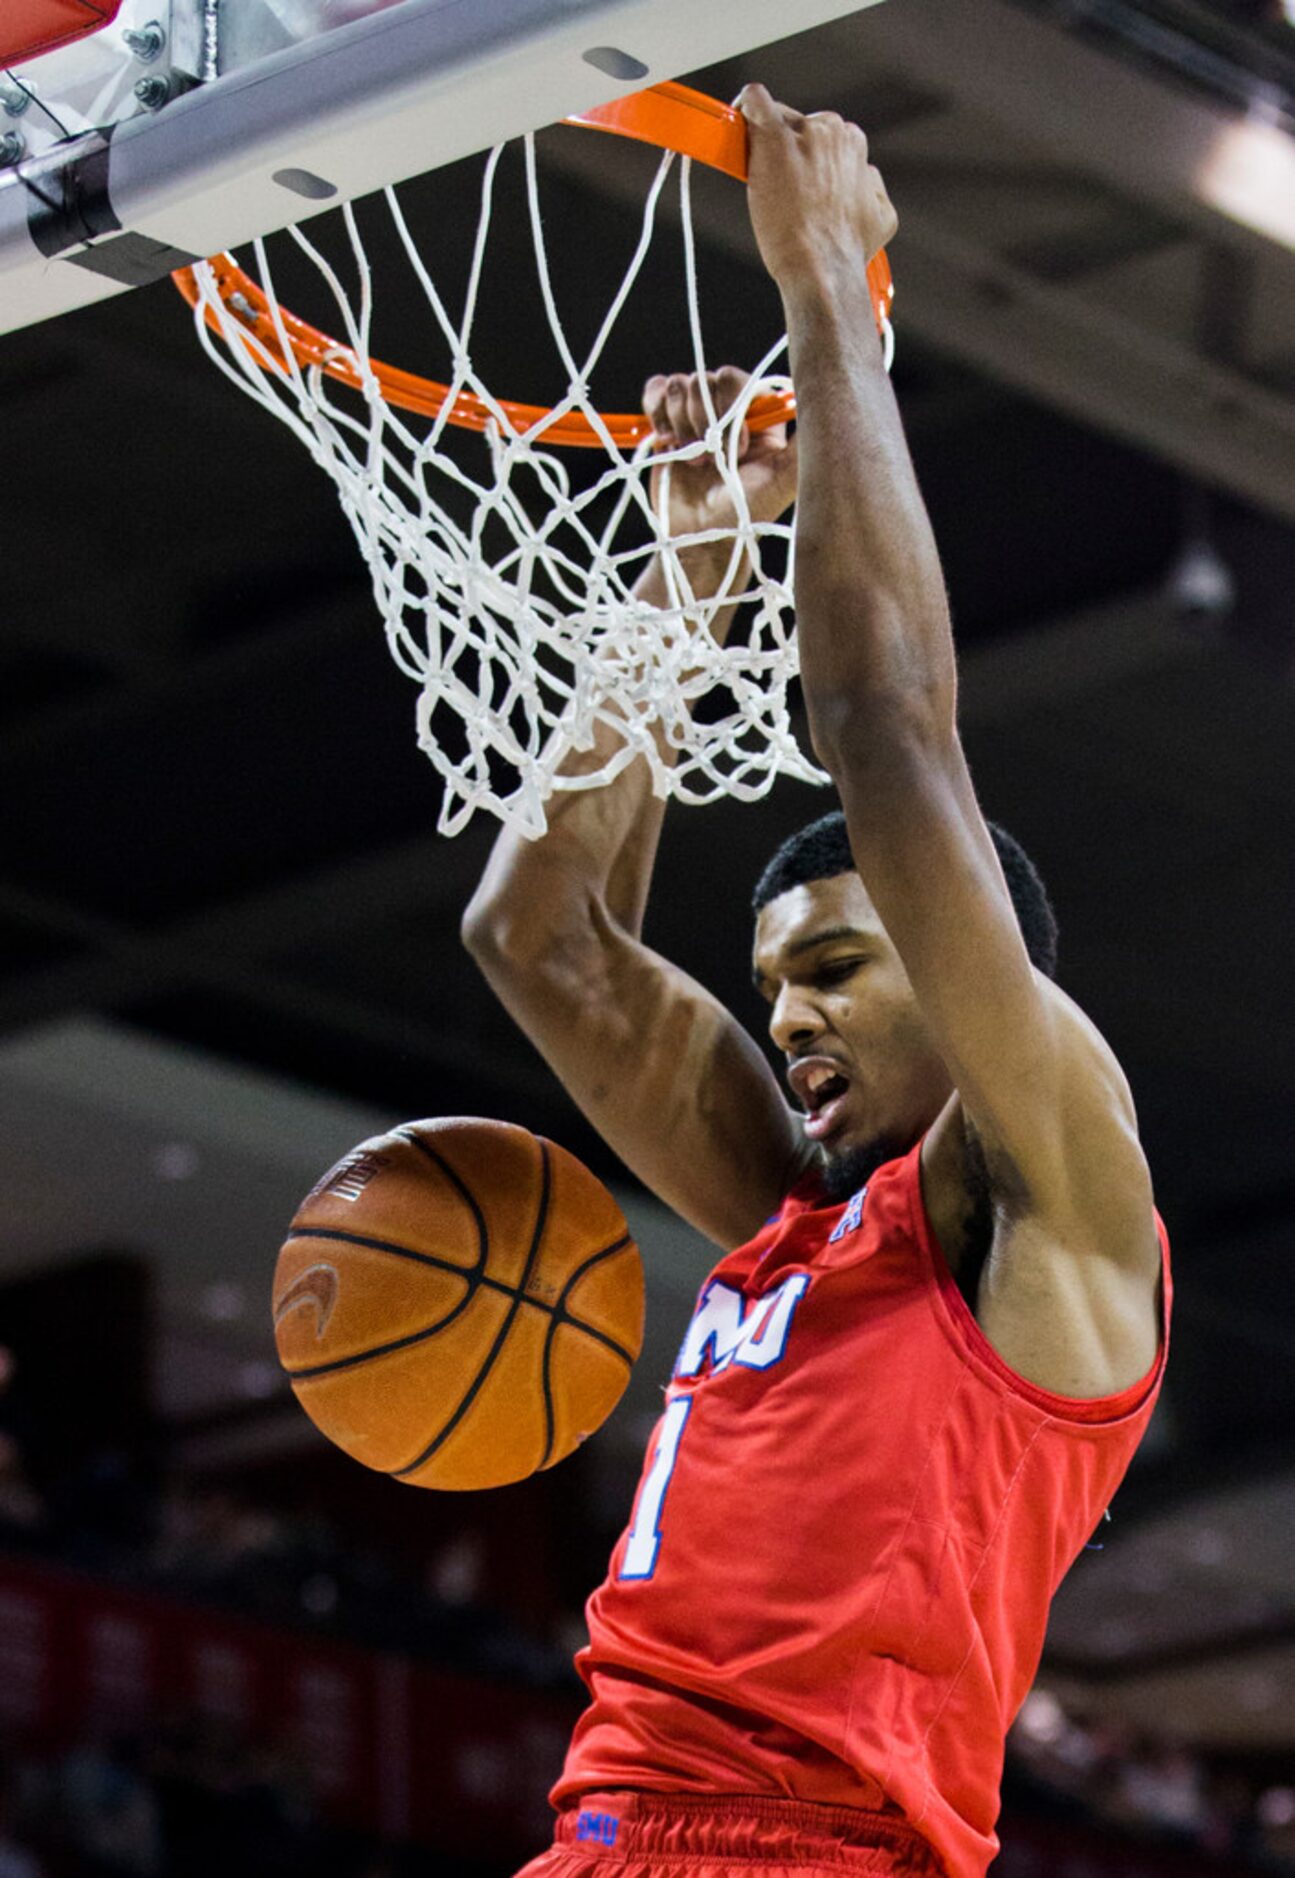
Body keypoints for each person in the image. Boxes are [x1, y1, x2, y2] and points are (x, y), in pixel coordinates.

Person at [462, 83, 1169, 1878]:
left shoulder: (1050, 1198)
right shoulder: (800, 1213)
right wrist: (686, 564)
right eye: (776, 979)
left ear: (966, 971)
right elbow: (536, 936)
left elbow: (882, 722)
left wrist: (828, 297)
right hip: (600, 1837)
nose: (788, 1014)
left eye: (841, 964)